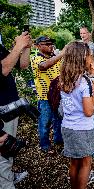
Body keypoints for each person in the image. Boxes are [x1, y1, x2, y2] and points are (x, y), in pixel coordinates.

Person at [60, 41, 94, 188]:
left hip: (67, 127)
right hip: (83, 129)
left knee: (74, 162)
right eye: (90, 56)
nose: (91, 59)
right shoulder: (85, 82)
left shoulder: (65, 79)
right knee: (85, 163)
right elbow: (89, 111)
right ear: (82, 58)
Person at [0, 32, 32, 189]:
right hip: (1, 110)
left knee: (9, 148)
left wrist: (26, 47)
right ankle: (6, 184)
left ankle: (8, 177)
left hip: (9, 108)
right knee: (1, 154)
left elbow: (22, 65)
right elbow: (3, 69)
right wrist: (18, 45)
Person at [31, 36, 64, 154]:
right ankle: (44, 145)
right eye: (47, 44)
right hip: (45, 98)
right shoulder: (36, 59)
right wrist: (61, 54)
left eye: (51, 43)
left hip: (58, 96)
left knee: (59, 120)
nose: (51, 45)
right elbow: (43, 66)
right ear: (38, 46)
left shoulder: (55, 58)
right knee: (45, 122)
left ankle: (59, 141)